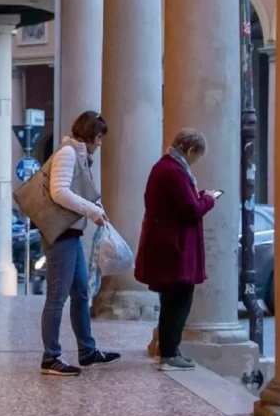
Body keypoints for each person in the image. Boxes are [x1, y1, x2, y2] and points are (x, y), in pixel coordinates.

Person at [39, 111, 120, 377]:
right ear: (89, 134)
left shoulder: (79, 156)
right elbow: (59, 192)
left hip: (71, 234)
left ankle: (87, 350)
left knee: (81, 294)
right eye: (99, 137)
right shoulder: (67, 153)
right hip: (60, 234)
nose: (100, 143)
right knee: (57, 297)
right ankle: (50, 357)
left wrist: (97, 209)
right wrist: (92, 211)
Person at [134, 129, 218, 371]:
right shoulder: (174, 171)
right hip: (174, 247)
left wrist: (198, 196)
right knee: (178, 300)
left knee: (171, 299)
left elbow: (180, 202)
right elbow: (191, 209)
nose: (196, 161)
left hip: (166, 244)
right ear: (189, 150)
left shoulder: (164, 167)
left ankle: (169, 349)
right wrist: (208, 200)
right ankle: (169, 354)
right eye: (197, 156)